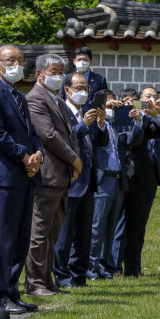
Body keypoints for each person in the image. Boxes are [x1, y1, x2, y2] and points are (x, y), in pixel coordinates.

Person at [0, 45, 43, 313]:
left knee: (21, 237)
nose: (16, 64)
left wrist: (38, 153)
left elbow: (31, 132)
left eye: (20, 60)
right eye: (10, 60)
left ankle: (13, 289)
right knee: (3, 238)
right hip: (4, 175)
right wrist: (24, 156)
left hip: (25, 175)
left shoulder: (18, 94)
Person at [24, 54, 81, 296]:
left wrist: (73, 164)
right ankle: (34, 282)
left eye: (60, 71)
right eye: (53, 71)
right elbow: (48, 136)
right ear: (39, 74)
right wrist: (74, 159)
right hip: (47, 175)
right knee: (39, 232)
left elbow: (70, 134)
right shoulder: (35, 99)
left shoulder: (56, 100)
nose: (58, 75)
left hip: (61, 176)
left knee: (53, 232)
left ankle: (47, 279)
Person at [54, 72, 108, 288]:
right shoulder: (61, 112)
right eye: (79, 88)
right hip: (69, 180)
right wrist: (84, 125)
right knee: (65, 234)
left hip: (88, 181)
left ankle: (79, 275)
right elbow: (63, 140)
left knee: (84, 234)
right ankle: (62, 275)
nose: (84, 92)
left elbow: (100, 142)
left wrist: (101, 124)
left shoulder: (88, 112)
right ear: (67, 90)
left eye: (86, 88)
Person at [122, 86, 160, 277]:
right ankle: (114, 266)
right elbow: (134, 140)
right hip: (130, 176)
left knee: (139, 226)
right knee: (123, 226)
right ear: (140, 99)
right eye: (148, 96)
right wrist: (146, 116)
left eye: (156, 97)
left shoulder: (158, 121)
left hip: (150, 178)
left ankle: (133, 267)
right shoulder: (132, 116)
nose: (152, 99)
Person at [88, 90, 138, 280]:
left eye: (112, 104)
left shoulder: (118, 125)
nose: (110, 107)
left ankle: (104, 265)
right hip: (102, 178)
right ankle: (91, 267)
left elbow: (132, 139)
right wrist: (101, 111)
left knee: (110, 226)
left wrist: (134, 118)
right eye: (107, 103)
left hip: (117, 178)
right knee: (97, 225)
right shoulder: (93, 123)